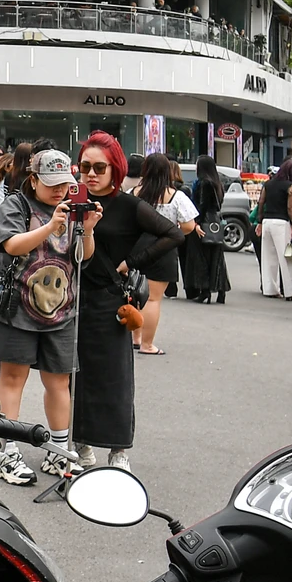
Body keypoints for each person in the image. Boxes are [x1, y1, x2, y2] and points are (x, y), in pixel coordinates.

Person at [0, 148, 93, 486]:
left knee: (59, 380)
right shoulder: (16, 205)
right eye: (51, 184)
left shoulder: (73, 210)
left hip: (61, 308)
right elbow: (12, 245)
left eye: (64, 184)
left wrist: (87, 228)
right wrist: (51, 225)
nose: (59, 191)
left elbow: (83, 257)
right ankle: (5, 451)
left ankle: (60, 451)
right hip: (17, 304)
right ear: (33, 180)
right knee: (13, 378)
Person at [74, 132, 179, 470]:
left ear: (114, 168)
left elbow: (173, 233)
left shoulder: (129, 205)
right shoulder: (75, 199)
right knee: (74, 375)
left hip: (110, 300)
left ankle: (118, 451)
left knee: (115, 378)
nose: (91, 173)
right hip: (71, 300)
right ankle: (81, 445)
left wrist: (132, 262)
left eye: (99, 167)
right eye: (85, 166)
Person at [135, 153, 194, 353]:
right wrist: (172, 231)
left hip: (135, 246)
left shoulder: (134, 192)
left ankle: (134, 338)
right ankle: (147, 343)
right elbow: (189, 225)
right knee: (152, 298)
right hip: (164, 249)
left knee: (133, 294)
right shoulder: (176, 196)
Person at [183, 155, 230, 304]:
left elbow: (201, 205)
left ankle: (205, 291)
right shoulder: (217, 183)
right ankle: (221, 291)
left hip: (203, 223)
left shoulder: (203, 183)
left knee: (201, 258)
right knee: (217, 258)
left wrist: (195, 223)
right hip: (214, 224)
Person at [256, 158, 292, 301]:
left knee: (268, 257)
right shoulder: (291, 186)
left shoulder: (268, 184)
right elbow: (290, 207)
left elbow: (261, 202)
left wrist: (260, 221)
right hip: (281, 222)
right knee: (286, 257)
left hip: (267, 221)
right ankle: (290, 292)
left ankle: (270, 289)